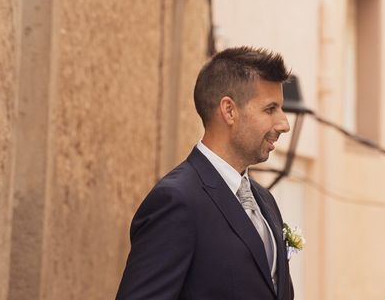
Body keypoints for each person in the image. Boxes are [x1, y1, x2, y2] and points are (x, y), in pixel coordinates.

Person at [117, 46, 294, 299]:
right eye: (270, 109)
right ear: (229, 110)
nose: (284, 124)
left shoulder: (265, 200)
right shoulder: (177, 200)